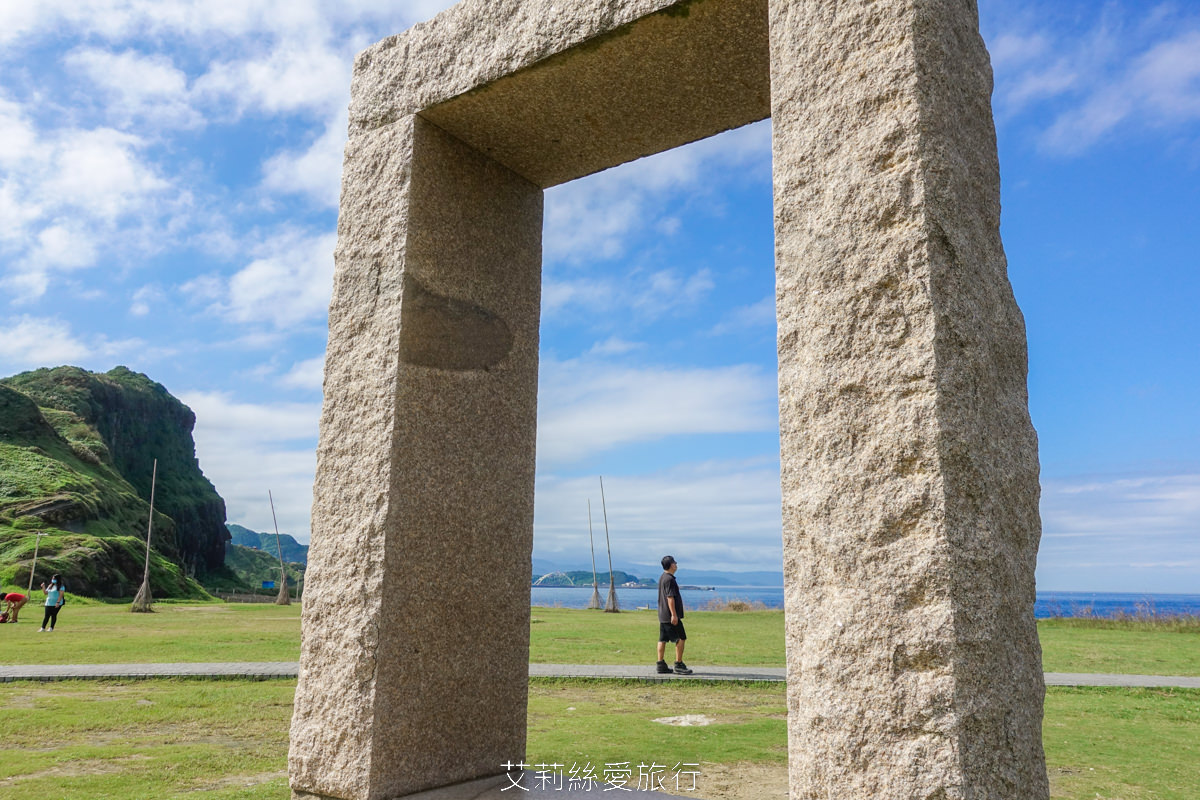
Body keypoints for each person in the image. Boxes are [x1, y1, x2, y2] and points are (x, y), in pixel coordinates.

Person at [656, 555, 692, 674]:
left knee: (662, 639)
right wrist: (674, 615)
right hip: (670, 616)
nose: (676, 565)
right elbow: (670, 597)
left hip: (663, 615)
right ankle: (678, 664)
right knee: (681, 638)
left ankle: (660, 664)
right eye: (675, 563)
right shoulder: (670, 579)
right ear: (671, 565)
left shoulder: (662, 577)